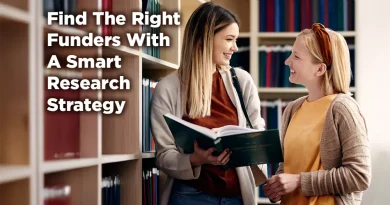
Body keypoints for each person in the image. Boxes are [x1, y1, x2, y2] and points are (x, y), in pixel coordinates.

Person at [150, 2, 267, 205]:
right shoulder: (167, 88)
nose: (235, 47)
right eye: (229, 39)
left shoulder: (242, 80)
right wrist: (196, 160)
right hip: (190, 196)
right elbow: (164, 157)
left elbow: (257, 134)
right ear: (204, 39)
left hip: (237, 197)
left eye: (236, 40)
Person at [262, 23, 372, 205]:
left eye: (296, 56)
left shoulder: (343, 109)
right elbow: (287, 166)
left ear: (320, 69)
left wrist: (298, 181)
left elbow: (359, 175)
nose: (287, 61)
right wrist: (278, 186)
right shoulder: (292, 109)